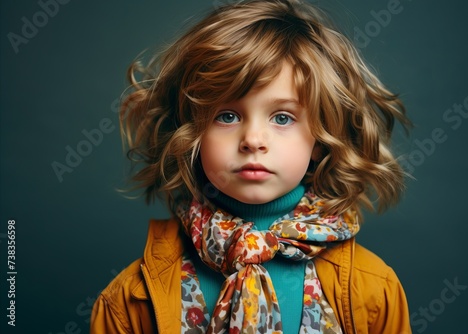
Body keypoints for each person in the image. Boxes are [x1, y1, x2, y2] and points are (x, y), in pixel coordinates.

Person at [90, 0, 413, 333]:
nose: (254, 139)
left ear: (320, 139)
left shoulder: (373, 290)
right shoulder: (130, 300)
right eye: (227, 116)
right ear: (192, 134)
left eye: (283, 117)